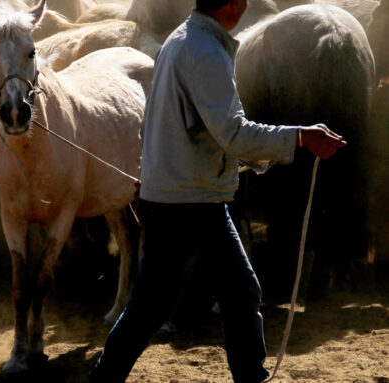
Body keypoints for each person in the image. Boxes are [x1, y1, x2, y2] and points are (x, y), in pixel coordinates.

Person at [89, 0, 346, 382]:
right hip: (190, 203)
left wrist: (156, 173)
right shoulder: (206, 52)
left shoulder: (178, 41)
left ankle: (248, 375)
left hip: (190, 197)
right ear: (234, 5)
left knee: (236, 291)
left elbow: (151, 125)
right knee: (155, 307)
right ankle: (104, 377)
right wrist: (300, 138)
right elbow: (234, 134)